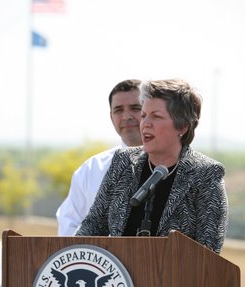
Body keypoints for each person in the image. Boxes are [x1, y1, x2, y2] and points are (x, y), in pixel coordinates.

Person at [75, 78, 228, 254]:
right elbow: (93, 225)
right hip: (119, 279)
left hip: (176, 280)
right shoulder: (123, 161)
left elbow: (209, 251)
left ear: (183, 126)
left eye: (156, 116)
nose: (145, 124)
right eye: (144, 115)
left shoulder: (206, 174)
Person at [56, 79, 143, 235]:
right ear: (111, 117)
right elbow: (68, 226)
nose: (126, 116)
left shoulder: (177, 166)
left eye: (135, 108)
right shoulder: (91, 169)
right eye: (118, 110)